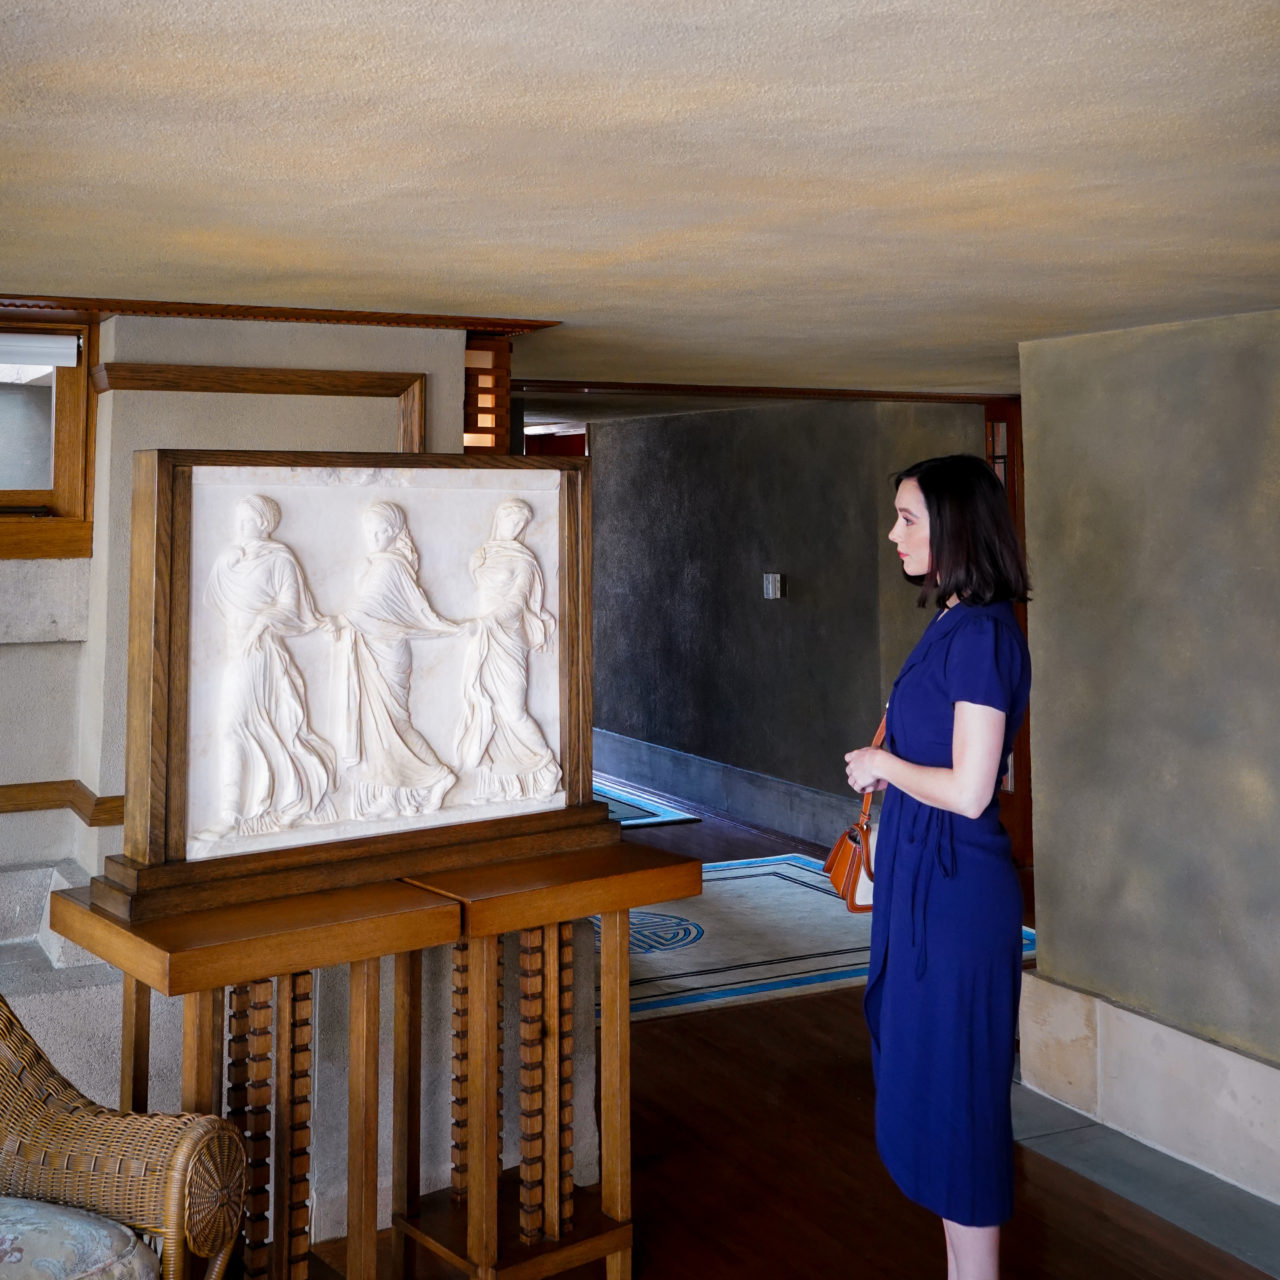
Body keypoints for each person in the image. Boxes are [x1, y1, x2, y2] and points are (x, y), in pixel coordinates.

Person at [843, 454, 1031, 1280]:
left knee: (961, 1101)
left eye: (908, 518)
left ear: (955, 526)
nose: (894, 533)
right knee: (936, 1085)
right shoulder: (954, 622)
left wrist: (881, 770)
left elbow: (969, 788)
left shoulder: (984, 635)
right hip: (929, 885)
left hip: (959, 901)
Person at [203, 493, 338, 839]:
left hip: (259, 654)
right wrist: (224, 564)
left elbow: (291, 608)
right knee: (240, 729)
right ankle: (246, 809)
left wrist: (263, 621)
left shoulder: (280, 560)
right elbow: (209, 600)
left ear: (265, 523)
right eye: (238, 521)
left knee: (234, 726)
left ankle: (231, 815)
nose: (240, 527)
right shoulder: (231, 560)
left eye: (247, 521)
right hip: (235, 650)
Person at [337, 501, 459, 818]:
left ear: (393, 532)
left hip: (387, 652)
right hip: (374, 647)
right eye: (369, 531)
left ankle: (439, 775)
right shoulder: (378, 563)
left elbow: (368, 608)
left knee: (395, 723)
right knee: (381, 728)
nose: (373, 536)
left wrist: (338, 621)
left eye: (380, 531)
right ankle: (394, 794)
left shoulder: (390, 565)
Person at [454, 498, 562, 801]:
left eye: (522, 523)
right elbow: (483, 592)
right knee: (486, 706)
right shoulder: (482, 554)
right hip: (483, 638)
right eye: (512, 520)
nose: (516, 527)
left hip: (508, 638)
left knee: (514, 711)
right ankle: (501, 785)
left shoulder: (525, 560)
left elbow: (517, 602)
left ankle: (547, 766)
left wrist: (487, 621)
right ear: (499, 518)